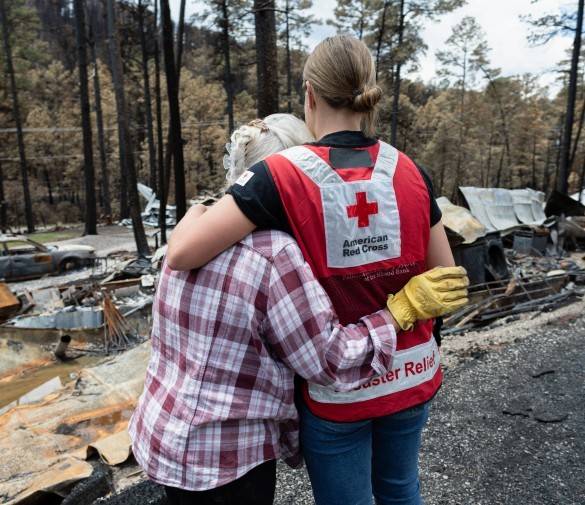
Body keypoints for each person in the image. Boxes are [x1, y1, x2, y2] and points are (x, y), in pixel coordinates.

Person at [167, 37, 465, 505]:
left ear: (310, 94)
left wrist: (210, 206)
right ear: (368, 93)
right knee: (401, 489)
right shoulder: (410, 170)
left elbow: (182, 254)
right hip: (413, 372)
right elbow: (446, 279)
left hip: (338, 393)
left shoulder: (280, 175)